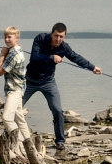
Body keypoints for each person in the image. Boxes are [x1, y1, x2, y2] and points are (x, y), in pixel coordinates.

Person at [25, 23, 101, 152]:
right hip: (30, 81)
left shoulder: (64, 47)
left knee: (58, 111)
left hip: (48, 82)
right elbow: (34, 57)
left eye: (61, 36)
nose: (58, 39)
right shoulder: (40, 38)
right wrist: (51, 57)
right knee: (14, 107)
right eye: (56, 36)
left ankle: (60, 141)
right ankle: (8, 133)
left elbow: (76, 58)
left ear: (64, 36)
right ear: (51, 33)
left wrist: (92, 67)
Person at [0, 26, 32, 142]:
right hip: (19, 89)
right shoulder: (15, 51)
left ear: (17, 39)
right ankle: (29, 142)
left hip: (15, 90)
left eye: (9, 37)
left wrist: (2, 55)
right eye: (5, 37)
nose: (6, 39)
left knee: (6, 118)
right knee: (20, 119)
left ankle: (20, 141)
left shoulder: (13, 54)